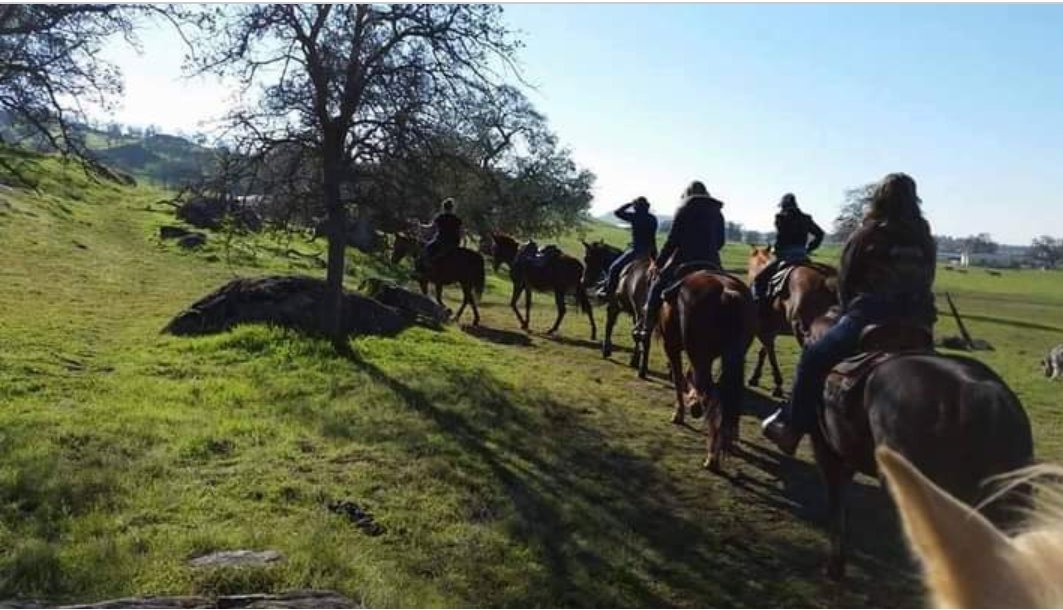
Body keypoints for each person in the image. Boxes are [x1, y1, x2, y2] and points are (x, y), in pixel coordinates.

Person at [761, 173, 937, 455]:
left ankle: (791, 426)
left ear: (879, 198)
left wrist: (845, 309)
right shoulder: (924, 235)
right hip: (918, 323)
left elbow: (846, 282)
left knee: (813, 356)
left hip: (871, 316)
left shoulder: (869, 233)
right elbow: (928, 278)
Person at [638, 181, 726, 344]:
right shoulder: (717, 212)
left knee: (657, 285)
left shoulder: (683, 208)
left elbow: (672, 241)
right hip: (712, 262)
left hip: (684, 260)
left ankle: (646, 325)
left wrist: (657, 263)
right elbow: (720, 242)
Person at [751, 193, 825, 305]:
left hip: (785, 256)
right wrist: (809, 248)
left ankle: (758, 306)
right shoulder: (806, 218)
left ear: (783, 205)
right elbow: (820, 234)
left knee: (759, 280)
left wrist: (775, 250)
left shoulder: (781, 217)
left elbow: (781, 237)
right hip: (802, 255)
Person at [597, 196, 658, 298]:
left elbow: (617, 212)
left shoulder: (635, 216)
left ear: (636, 207)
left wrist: (629, 203)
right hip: (652, 252)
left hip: (637, 251)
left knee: (614, 268)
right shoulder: (653, 218)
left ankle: (608, 292)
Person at [417, 198, 462, 273]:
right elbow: (461, 232)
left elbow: (430, 227)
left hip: (440, 241)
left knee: (426, 249)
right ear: (452, 208)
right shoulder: (457, 219)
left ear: (443, 207)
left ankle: (424, 270)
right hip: (453, 243)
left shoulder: (440, 217)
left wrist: (420, 226)